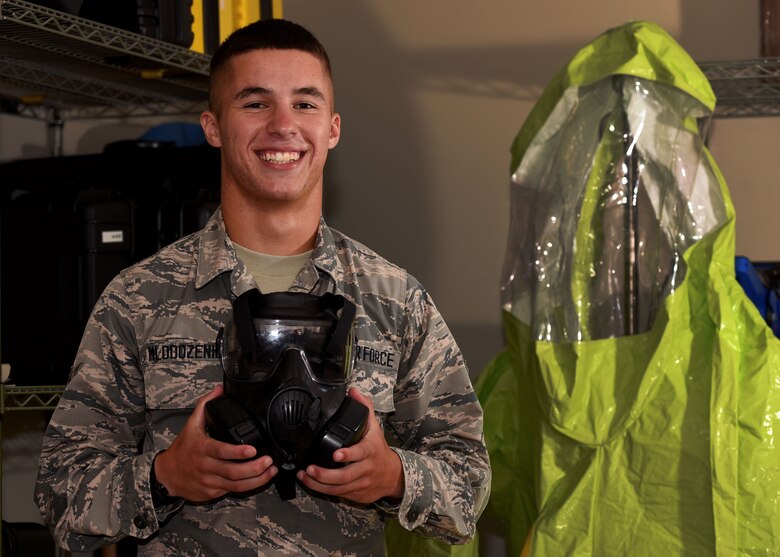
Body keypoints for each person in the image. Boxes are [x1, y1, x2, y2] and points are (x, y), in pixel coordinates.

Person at [35, 18, 491, 556]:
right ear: (213, 126)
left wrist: (393, 476)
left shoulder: (395, 301)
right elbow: (59, 491)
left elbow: (470, 486)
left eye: (305, 103)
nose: (282, 126)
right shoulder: (139, 299)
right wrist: (164, 478)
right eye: (254, 103)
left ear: (333, 128)